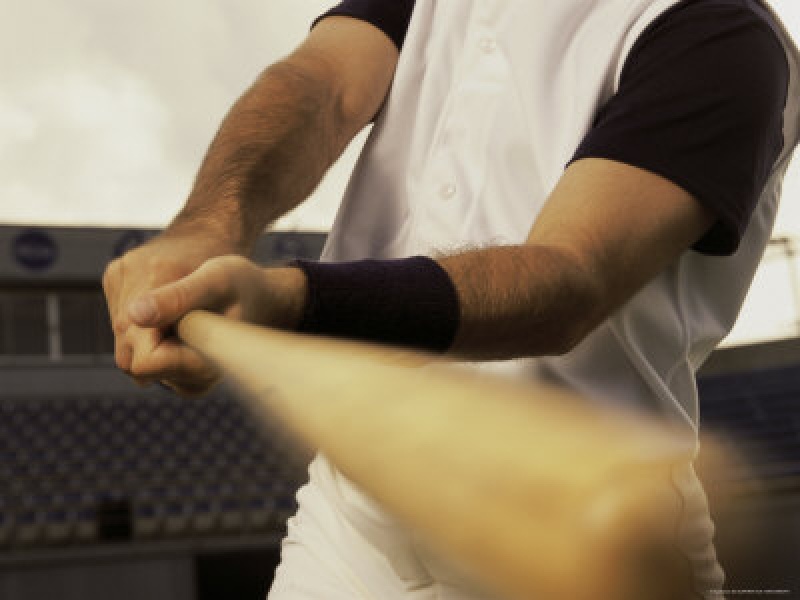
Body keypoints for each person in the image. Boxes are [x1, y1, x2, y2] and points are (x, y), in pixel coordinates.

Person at [103, 0, 799, 597]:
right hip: (354, 531)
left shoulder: (724, 34)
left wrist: (295, 303)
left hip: (578, 533)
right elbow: (323, 86)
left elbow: (568, 278)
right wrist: (209, 225)